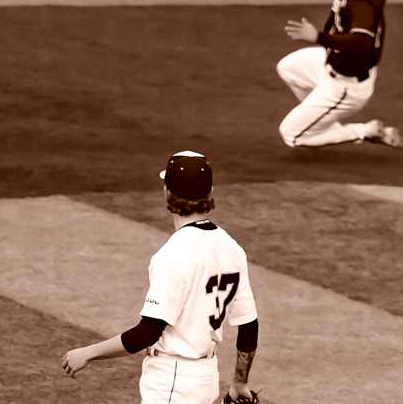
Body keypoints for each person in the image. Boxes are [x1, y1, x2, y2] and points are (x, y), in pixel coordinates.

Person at [61, 151, 260, 404]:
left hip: (172, 382)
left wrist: (87, 353)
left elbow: (147, 333)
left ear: (167, 192)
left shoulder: (175, 253)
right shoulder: (231, 248)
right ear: (210, 193)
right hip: (207, 376)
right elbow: (248, 325)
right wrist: (239, 383)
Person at [278, 0, 403, 148]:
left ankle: (364, 131)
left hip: (346, 84)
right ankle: (320, 120)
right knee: (289, 68)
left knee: (292, 135)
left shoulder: (362, 1)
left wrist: (317, 36)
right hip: (337, 63)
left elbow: (361, 42)